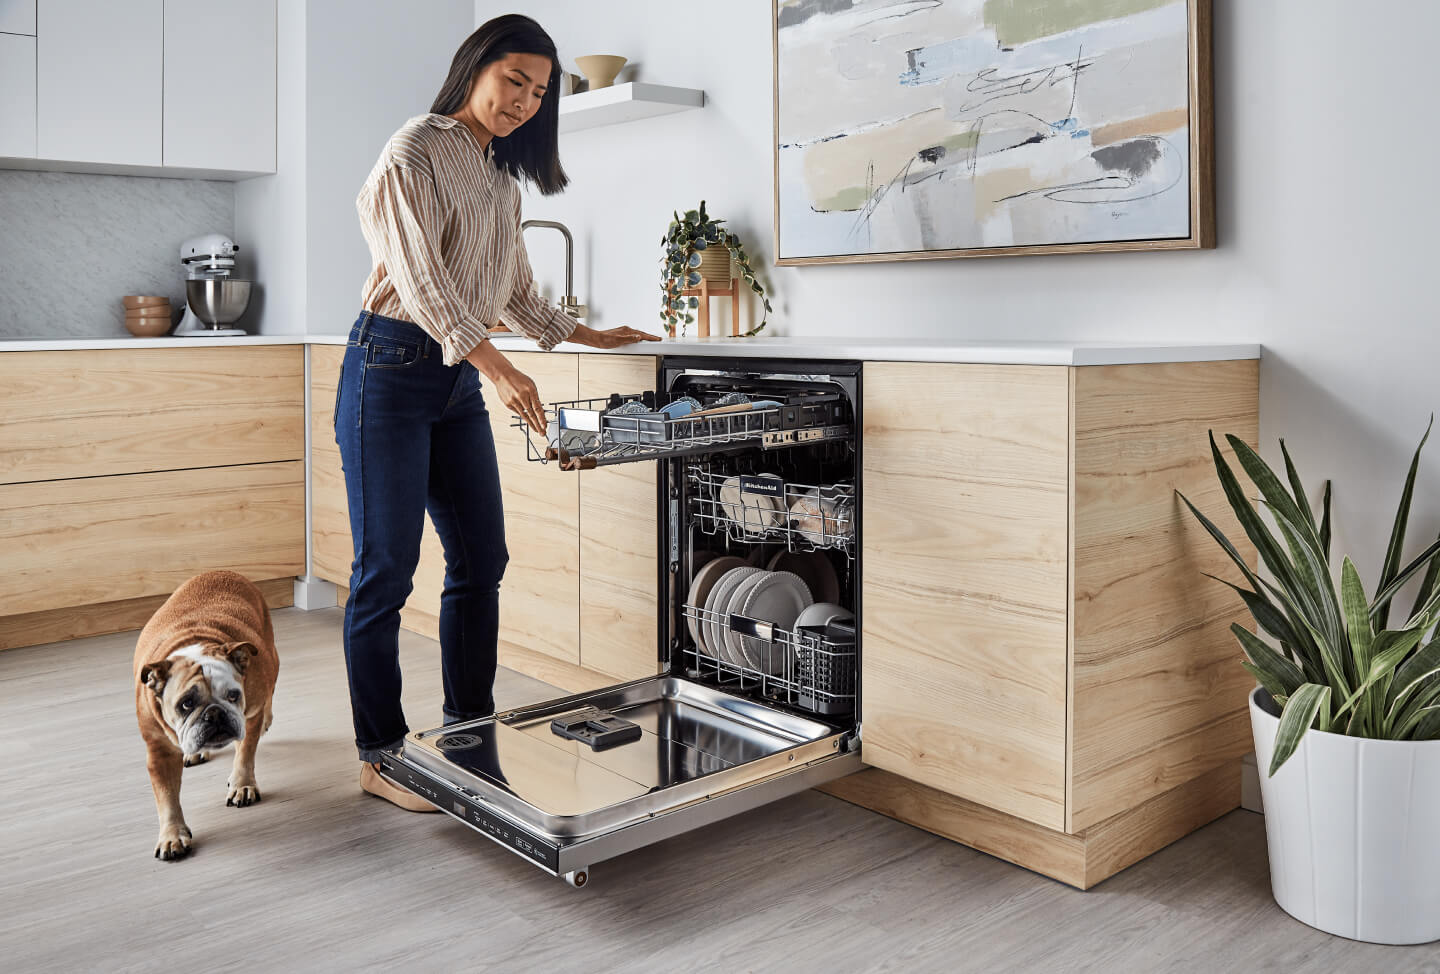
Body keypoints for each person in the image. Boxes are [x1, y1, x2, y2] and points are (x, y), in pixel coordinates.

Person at [336, 14, 660, 811]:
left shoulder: (498, 177)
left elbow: (509, 287)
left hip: (450, 383)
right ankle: (379, 757)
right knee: (386, 573)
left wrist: (582, 331)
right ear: (476, 67)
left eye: (539, 91)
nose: (523, 100)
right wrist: (499, 366)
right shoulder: (415, 148)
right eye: (514, 79)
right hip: (389, 366)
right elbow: (421, 281)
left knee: (483, 561)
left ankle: (465, 733)